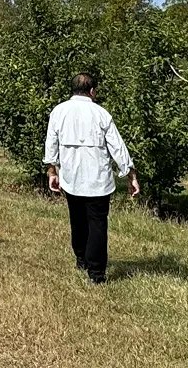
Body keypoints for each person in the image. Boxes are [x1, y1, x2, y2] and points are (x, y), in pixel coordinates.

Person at [43, 73, 139, 285]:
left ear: (73, 89)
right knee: (97, 225)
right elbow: (117, 147)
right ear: (93, 91)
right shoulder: (101, 114)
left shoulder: (59, 112)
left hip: (71, 179)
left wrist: (52, 172)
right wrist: (130, 174)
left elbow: (51, 144)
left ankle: (81, 259)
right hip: (98, 181)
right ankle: (96, 274)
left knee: (77, 221)